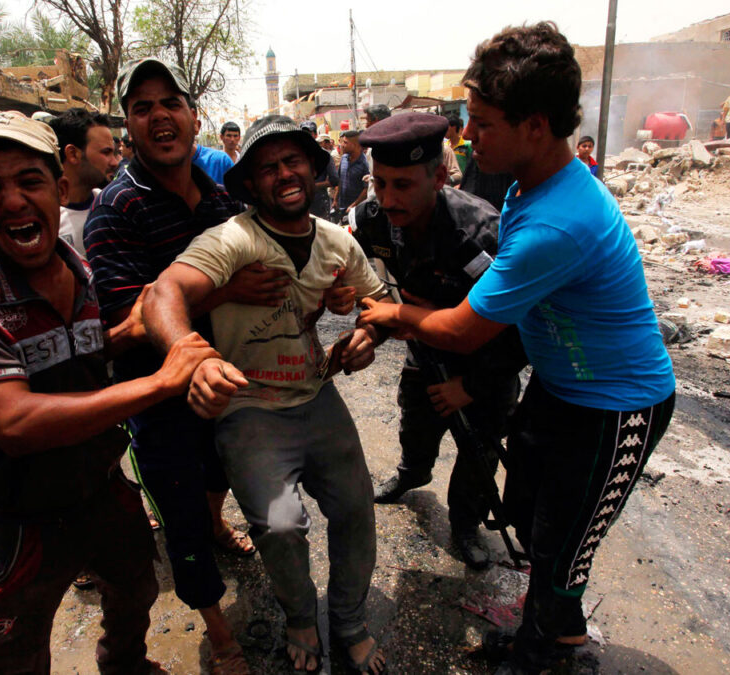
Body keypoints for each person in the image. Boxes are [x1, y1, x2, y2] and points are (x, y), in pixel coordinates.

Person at [357, 23, 675, 674]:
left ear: (534, 126)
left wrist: (388, 312)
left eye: (481, 122)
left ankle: (550, 651)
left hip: (618, 405)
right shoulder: (529, 186)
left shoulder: (558, 221)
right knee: (529, 512)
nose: (468, 135)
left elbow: (464, 329)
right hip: (559, 389)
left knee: (563, 546)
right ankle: (545, 622)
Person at [0, 109, 209, 675]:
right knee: (13, 650)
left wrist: (133, 330)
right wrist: (161, 381)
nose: (15, 201)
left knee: (137, 591)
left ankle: (124, 665)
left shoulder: (82, 272)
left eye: (29, 181)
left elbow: (82, 354)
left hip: (99, 489)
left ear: (61, 187)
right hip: (18, 515)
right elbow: (15, 422)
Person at [142, 114, 389, 675]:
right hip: (249, 407)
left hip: (316, 396)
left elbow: (377, 307)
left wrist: (366, 335)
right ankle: (301, 616)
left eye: (293, 161)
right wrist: (192, 356)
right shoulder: (232, 239)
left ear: (313, 169)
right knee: (279, 525)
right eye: (268, 167)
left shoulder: (334, 242)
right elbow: (164, 294)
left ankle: (349, 619)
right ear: (250, 184)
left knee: (356, 507)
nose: (284, 174)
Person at [84, 58, 278, 675]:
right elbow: (123, 327)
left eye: (170, 102)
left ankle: (218, 519)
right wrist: (224, 292)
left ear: (193, 116)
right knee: (181, 519)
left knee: (222, 475)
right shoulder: (116, 209)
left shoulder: (220, 196)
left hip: (231, 382)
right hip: (160, 395)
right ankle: (220, 635)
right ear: (128, 129)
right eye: (142, 108)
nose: (159, 116)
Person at [353, 112, 526, 570]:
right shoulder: (373, 219)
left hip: (485, 367)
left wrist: (470, 387)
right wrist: (370, 327)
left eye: (403, 186)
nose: (387, 199)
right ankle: (413, 473)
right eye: (379, 183)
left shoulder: (479, 233)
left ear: (440, 178)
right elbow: (374, 290)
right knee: (416, 420)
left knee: (478, 450)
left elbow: (522, 332)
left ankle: (466, 524)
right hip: (425, 355)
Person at [48, 108, 121, 256]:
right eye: (106, 152)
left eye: (114, 153)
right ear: (73, 154)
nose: (114, 162)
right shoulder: (48, 219)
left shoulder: (111, 207)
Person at [332, 130, 369, 220]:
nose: (342, 145)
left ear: (355, 145)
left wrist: (354, 205)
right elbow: (340, 180)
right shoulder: (344, 158)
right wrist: (335, 200)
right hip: (341, 208)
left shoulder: (364, 164)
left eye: (345, 142)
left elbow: (366, 189)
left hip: (355, 211)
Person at [301, 121, 333, 220]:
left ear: (315, 135)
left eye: (309, 133)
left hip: (320, 203)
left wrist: (315, 186)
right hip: (302, 203)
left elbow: (334, 180)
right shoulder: (297, 154)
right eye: (303, 133)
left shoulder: (324, 155)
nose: (306, 136)